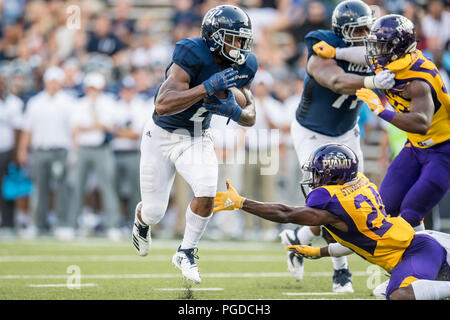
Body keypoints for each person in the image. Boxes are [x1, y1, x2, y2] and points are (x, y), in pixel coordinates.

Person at [213, 143, 450, 300]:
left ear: (334, 175)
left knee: (399, 296)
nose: (313, 179)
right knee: (381, 292)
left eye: (317, 174)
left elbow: (285, 213)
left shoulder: (333, 202)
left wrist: (242, 203)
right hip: (414, 243)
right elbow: (361, 240)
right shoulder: (360, 182)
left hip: (416, 250)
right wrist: (320, 252)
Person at [132, 5, 258, 284]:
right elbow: (162, 105)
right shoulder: (192, 52)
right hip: (161, 136)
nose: (240, 46)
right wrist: (206, 88)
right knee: (154, 212)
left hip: (197, 136)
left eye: (243, 39)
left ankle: (186, 251)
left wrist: (234, 112)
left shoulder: (245, 64)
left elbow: (251, 114)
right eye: (234, 38)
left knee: (206, 190)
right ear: (214, 37)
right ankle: (141, 220)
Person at [280, 0, 396, 292]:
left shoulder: (363, 49)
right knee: (326, 201)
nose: (366, 33)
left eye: (368, 28)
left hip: (346, 133)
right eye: (360, 29)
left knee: (350, 201)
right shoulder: (321, 47)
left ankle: (298, 240)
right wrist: (371, 81)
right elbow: (336, 80)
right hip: (313, 133)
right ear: (342, 32)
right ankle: (341, 271)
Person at [314, 14, 450, 232]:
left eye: (381, 45)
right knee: (383, 209)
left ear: (398, 46)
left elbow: (421, 123)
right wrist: (336, 52)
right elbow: (364, 54)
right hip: (415, 148)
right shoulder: (391, 60)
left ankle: (425, 262)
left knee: (409, 215)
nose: (375, 51)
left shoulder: (417, 78)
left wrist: (381, 110)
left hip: (442, 150)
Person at [17, 66, 74, 238]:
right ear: (45, 82)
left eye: (56, 81)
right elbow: (27, 129)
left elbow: (73, 130)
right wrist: (22, 150)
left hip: (60, 150)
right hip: (40, 150)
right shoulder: (35, 102)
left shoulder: (68, 102)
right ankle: (37, 224)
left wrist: (73, 152)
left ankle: (63, 224)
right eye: (51, 81)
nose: (53, 85)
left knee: (62, 189)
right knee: (39, 188)